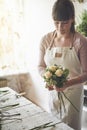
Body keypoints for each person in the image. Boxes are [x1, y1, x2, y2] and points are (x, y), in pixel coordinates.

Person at [38, 0, 87, 130]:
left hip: (73, 95)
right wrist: (48, 78)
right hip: (53, 93)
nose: (60, 27)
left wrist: (68, 83)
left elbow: (86, 74)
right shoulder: (46, 40)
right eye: (56, 22)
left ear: (72, 19)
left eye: (64, 23)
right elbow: (40, 66)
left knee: (70, 126)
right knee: (54, 125)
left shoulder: (80, 42)